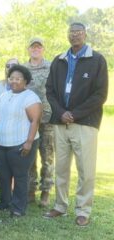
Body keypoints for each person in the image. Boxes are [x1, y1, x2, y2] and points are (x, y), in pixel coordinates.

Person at [44, 22, 108, 227]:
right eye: (72, 32)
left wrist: (75, 114)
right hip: (60, 123)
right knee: (61, 168)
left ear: (85, 35)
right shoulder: (59, 60)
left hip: (85, 123)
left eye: (79, 32)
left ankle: (83, 210)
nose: (75, 35)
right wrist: (62, 113)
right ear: (68, 35)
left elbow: (100, 94)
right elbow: (50, 90)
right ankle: (60, 206)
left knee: (86, 170)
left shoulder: (97, 60)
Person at [0, 65, 42, 217]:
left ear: (25, 81)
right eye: (12, 78)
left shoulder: (30, 97)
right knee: (3, 174)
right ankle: (5, 202)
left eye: (18, 78)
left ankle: (18, 208)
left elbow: (35, 121)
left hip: (21, 143)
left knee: (20, 175)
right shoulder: (4, 95)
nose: (14, 81)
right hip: (1, 143)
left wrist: (28, 142)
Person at [23, 37, 54, 207]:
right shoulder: (23, 68)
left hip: (48, 118)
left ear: (43, 49)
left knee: (47, 156)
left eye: (39, 47)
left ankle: (46, 191)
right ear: (28, 49)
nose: (36, 49)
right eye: (33, 47)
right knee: (29, 156)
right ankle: (30, 190)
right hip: (28, 120)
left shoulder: (52, 67)